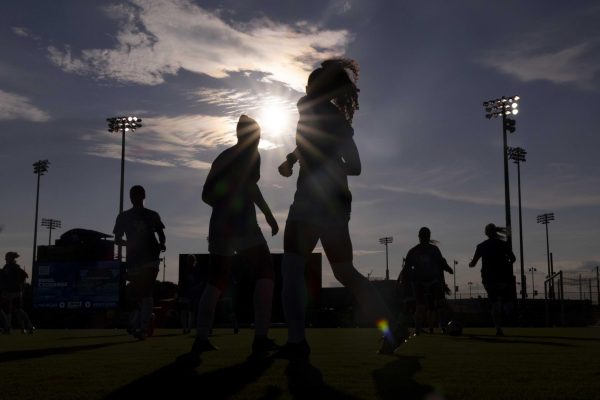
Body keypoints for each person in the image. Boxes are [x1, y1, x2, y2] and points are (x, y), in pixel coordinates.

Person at [276, 58, 402, 357]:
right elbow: (354, 166)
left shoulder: (307, 108)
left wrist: (311, 162)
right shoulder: (340, 123)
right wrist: (294, 159)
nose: (304, 90)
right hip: (337, 203)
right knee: (346, 271)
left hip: (311, 198)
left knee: (292, 267)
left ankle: (296, 342)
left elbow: (318, 146)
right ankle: (391, 328)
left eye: (308, 85)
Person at [191, 115, 279, 356]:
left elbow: (206, 196)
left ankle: (200, 337)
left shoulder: (222, 157)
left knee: (216, 280)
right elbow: (251, 187)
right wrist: (268, 215)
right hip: (242, 223)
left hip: (219, 225)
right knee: (266, 271)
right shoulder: (251, 154)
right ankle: (260, 336)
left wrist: (224, 206)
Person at [113, 185, 166, 340]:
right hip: (134, 259)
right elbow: (117, 239)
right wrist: (128, 244)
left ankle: (143, 328)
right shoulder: (123, 216)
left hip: (151, 257)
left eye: (137, 194)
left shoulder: (152, 215)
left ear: (144, 196)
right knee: (138, 293)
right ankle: (147, 318)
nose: (134, 197)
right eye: (132, 194)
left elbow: (161, 234)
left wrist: (162, 244)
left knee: (147, 289)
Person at [402, 227, 453, 335]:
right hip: (420, 282)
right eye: (423, 236)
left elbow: (441, 262)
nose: (424, 238)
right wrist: (404, 279)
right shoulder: (415, 251)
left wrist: (448, 269)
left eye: (426, 236)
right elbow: (407, 268)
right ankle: (422, 328)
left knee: (434, 305)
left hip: (431, 281)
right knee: (423, 306)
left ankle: (432, 328)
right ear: (420, 237)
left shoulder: (431, 250)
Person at [469, 223, 516, 336]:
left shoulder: (481, 246)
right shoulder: (503, 244)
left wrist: (470, 263)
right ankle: (509, 315)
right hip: (502, 278)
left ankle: (498, 328)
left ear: (486, 233)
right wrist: (506, 266)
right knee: (506, 301)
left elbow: (473, 263)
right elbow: (513, 259)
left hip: (488, 279)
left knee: (494, 302)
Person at [0, 252, 34, 334]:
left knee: (18, 310)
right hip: (8, 291)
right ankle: (8, 327)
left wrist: (18, 285)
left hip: (15, 292)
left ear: (11, 258)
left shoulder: (15, 267)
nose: (5, 259)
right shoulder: (7, 267)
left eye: (7, 257)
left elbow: (23, 276)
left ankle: (29, 324)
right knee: (8, 310)